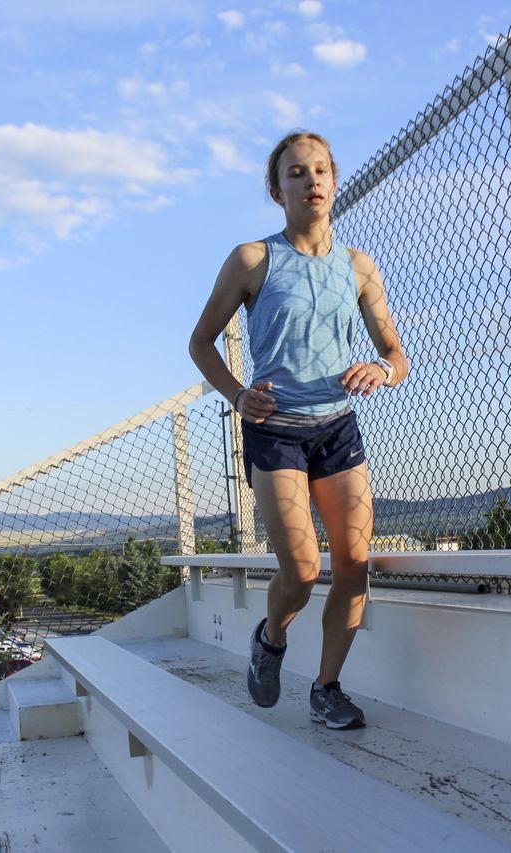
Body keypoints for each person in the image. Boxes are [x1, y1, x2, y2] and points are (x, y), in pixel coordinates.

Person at [188, 131, 407, 730]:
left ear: (333, 182)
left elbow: (396, 353)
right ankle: (272, 637)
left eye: (319, 170)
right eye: (295, 173)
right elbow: (201, 342)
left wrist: (381, 368)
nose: (310, 181)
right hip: (275, 429)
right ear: (276, 188)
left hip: (337, 427)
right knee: (304, 569)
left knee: (355, 565)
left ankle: (327, 688)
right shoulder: (252, 260)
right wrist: (236, 395)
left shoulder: (359, 267)